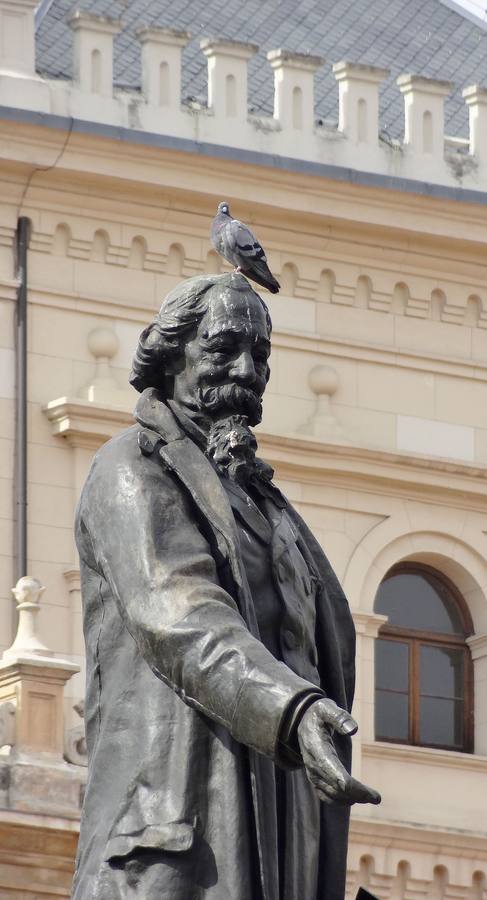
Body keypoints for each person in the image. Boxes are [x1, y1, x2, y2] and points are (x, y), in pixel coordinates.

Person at [72, 272, 380, 900]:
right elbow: (178, 613)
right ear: (171, 352)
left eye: (260, 354)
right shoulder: (130, 468)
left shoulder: (271, 506)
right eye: (222, 347)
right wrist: (292, 710)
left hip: (284, 813)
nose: (245, 370)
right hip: (179, 819)